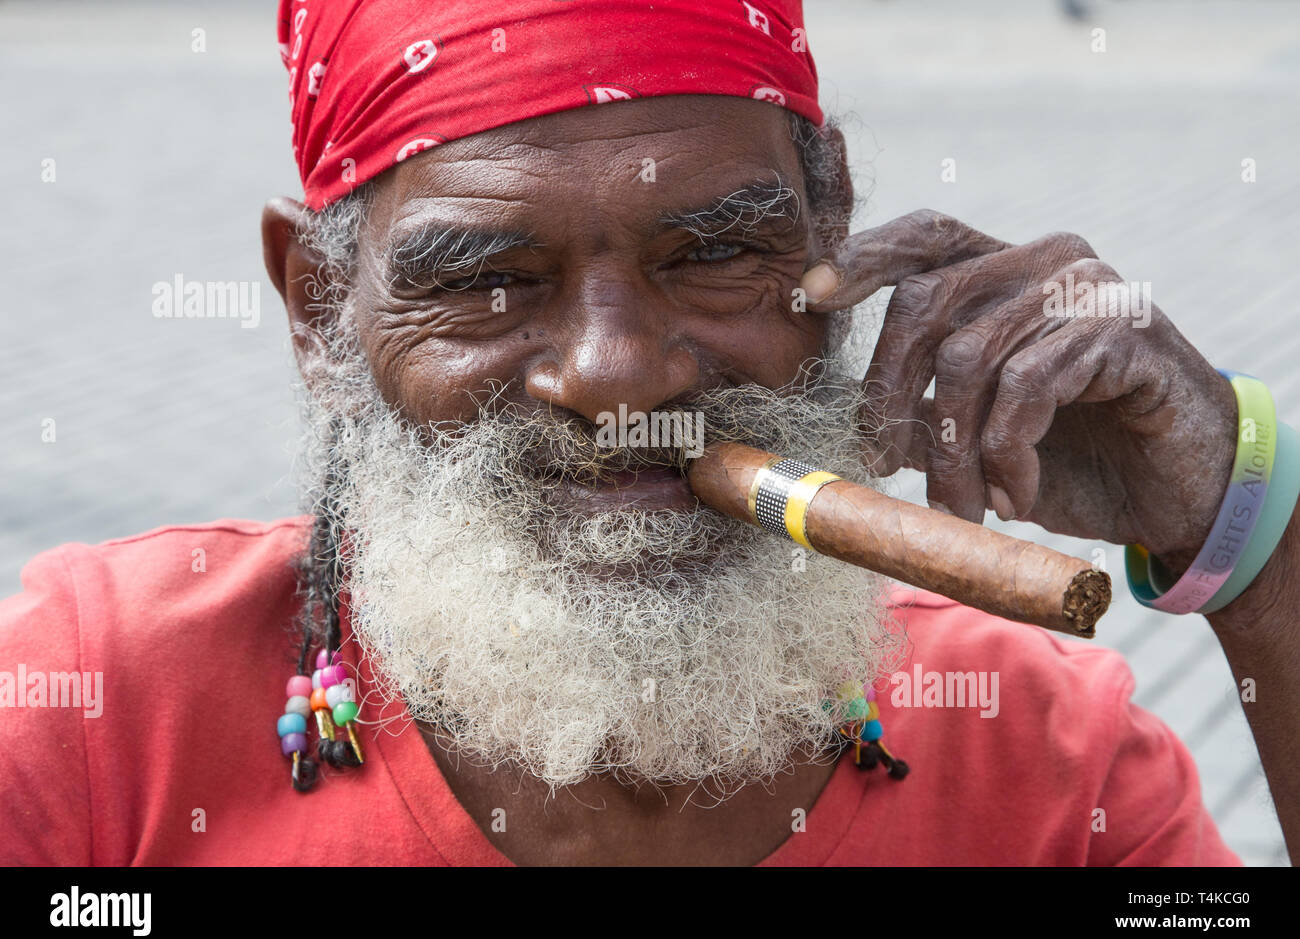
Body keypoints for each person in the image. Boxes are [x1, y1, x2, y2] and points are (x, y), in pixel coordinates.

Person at [2, 0, 1295, 866]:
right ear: (322, 311)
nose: (618, 375)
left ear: (829, 231)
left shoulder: (1050, 764)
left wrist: (1250, 542)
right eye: (489, 279)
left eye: (717, 255)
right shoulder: (101, 713)